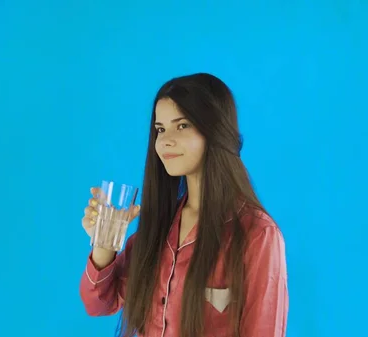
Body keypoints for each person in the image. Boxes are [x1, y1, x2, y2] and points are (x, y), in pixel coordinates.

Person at [79, 73, 288, 337]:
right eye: (160, 129)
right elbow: (98, 302)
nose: (166, 140)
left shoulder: (257, 234)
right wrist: (104, 243)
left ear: (215, 131)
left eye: (182, 126)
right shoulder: (161, 225)